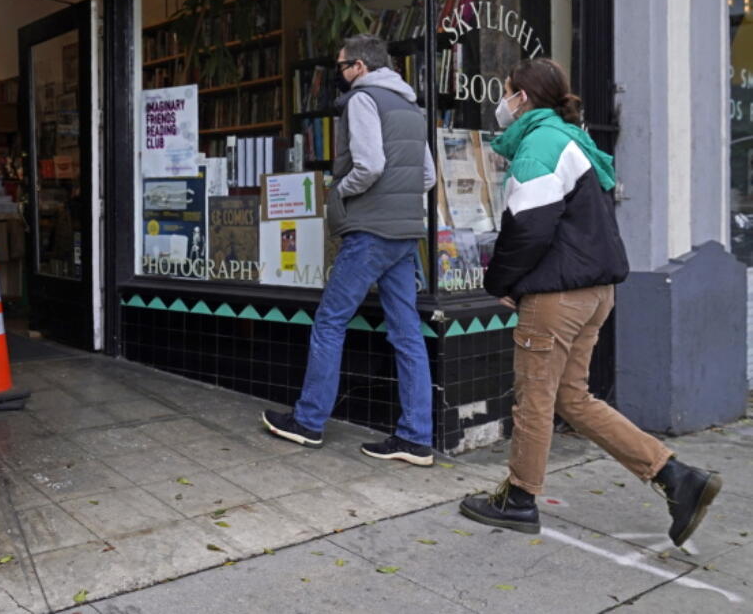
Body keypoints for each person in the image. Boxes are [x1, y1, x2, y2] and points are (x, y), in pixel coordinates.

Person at [459, 58, 721, 547]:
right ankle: (675, 477)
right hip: (594, 293)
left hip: (556, 296)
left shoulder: (540, 144)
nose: (502, 102)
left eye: (507, 91)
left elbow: (528, 228)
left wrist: (500, 281)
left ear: (523, 97)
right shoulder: (575, 140)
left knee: (534, 399)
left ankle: (518, 499)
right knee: (571, 398)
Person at [263, 33, 437, 466]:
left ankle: (308, 421)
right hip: (404, 233)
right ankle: (416, 438)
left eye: (341, 66)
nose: (339, 73)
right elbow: (428, 176)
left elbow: (370, 164)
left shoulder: (364, 100)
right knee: (406, 333)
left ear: (359, 66)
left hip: (371, 231)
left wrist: (341, 192)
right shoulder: (412, 107)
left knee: (329, 321)